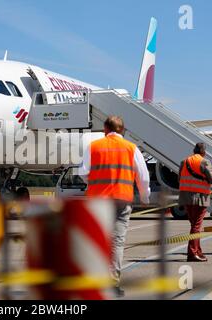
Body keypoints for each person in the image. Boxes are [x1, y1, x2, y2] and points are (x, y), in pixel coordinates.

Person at [79, 115, 150, 297]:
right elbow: (143, 177)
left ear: (105, 129)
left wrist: (95, 181)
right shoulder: (131, 148)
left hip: (98, 201)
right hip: (122, 200)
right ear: (122, 130)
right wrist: (144, 197)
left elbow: (83, 173)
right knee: (117, 242)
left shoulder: (94, 146)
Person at [178, 142, 212, 262]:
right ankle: (192, 253)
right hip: (200, 197)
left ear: (194, 151)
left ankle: (198, 250)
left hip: (186, 197)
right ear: (204, 152)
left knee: (194, 225)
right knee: (196, 225)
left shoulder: (184, 162)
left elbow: (179, 178)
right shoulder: (205, 162)